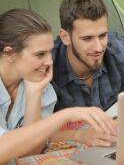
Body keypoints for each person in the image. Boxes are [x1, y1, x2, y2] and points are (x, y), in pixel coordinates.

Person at [0, 9, 116, 163]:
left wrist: (34, 94)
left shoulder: (38, 83)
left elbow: (31, 152)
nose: (49, 61)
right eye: (40, 54)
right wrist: (65, 115)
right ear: (9, 53)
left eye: (50, 52)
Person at [52, 0, 124, 110]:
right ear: (65, 37)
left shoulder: (118, 48)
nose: (99, 48)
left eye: (102, 36)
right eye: (87, 38)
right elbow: (39, 125)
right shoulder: (48, 67)